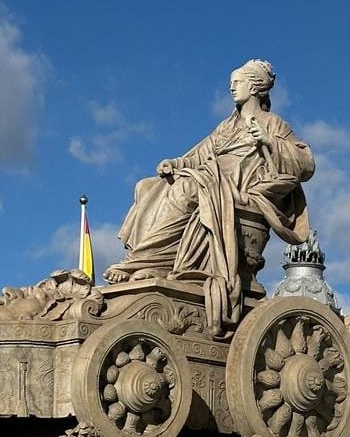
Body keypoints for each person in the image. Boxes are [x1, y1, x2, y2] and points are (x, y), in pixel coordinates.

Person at [105, 59, 315, 335]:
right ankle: (151, 263)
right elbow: (199, 155)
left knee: (186, 189)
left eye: (237, 82)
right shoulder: (226, 127)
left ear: (254, 87)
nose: (231, 87)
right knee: (148, 186)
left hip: (237, 188)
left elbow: (305, 164)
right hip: (212, 178)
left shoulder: (273, 123)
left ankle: (143, 263)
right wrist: (176, 164)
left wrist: (268, 141)